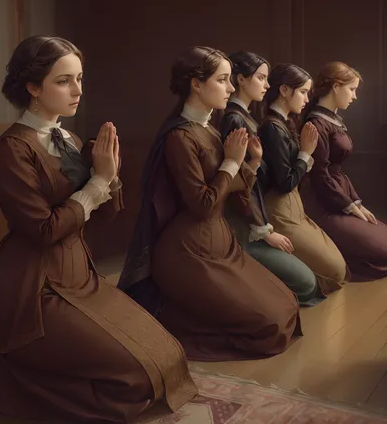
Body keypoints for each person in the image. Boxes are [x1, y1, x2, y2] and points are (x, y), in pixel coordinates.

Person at [0, 36, 197, 423]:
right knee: (136, 380)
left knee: (170, 356)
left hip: (79, 275)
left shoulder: (70, 139)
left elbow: (104, 218)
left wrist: (111, 174)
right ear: (33, 87)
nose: (77, 90)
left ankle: (0, 367)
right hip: (36, 287)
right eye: (63, 81)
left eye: (79, 78)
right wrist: (96, 183)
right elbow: (43, 230)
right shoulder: (11, 151)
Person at [119, 46, 301, 362]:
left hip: (222, 245)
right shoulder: (179, 137)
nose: (231, 89)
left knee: (287, 305)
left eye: (231, 80)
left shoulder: (211, 131)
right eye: (223, 80)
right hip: (188, 252)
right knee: (269, 325)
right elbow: (203, 204)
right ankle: (170, 318)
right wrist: (231, 163)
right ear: (196, 84)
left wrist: (252, 163)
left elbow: (236, 188)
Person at [220, 51, 323, 306]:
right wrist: (264, 230)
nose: (267, 85)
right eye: (261, 78)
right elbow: (240, 188)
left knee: (310, 280)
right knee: (306, 283)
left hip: (260, 213)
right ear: (241, 80)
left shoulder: (247, 117)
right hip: (242, 222)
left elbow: (252, 179)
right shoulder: (235, 119)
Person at [259, 63, 348, 294]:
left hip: (295, 206)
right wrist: (306, 153)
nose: (307, 99)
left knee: (340, 268)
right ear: (284, 90)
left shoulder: (286, 123)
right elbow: (286, 182)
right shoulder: (272, 128)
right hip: (279, 208)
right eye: (302, 92)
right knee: (334, 272)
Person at [301, 62, 387, 280]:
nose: (355, 96)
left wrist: (356, 202)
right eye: (352, 89)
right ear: (336, 87)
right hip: (322, 203)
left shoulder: (333, 120)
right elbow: (320, 176)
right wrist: (348, 206)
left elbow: (339, 171)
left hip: (339, 196)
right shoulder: (316, 124)